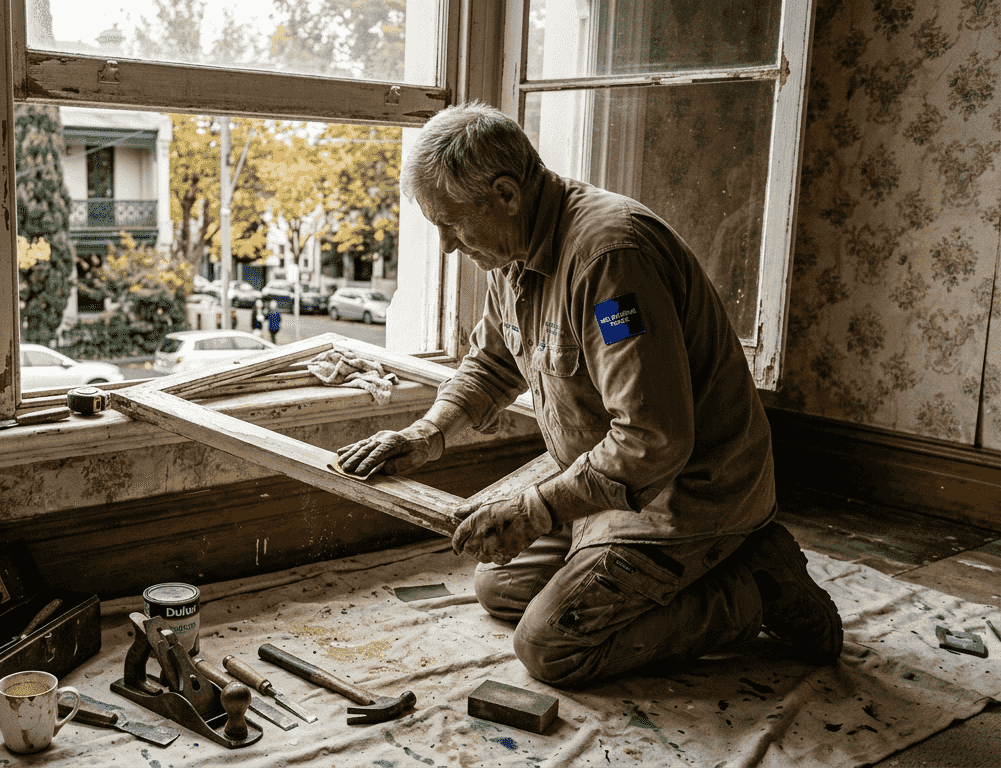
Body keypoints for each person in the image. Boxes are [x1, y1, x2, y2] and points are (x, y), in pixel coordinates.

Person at [336, 103, 842, 688]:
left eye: (451, 224)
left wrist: (534, 509)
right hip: (606, 480)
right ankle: (660, 562)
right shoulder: (513, 250)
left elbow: (653, 441)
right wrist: (427, 435)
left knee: (551, 647)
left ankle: (757, 585)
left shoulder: (610, 261)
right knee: (498, 585)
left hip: (687, 495)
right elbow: (494, 364)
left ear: (505, 194)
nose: (447, 245)